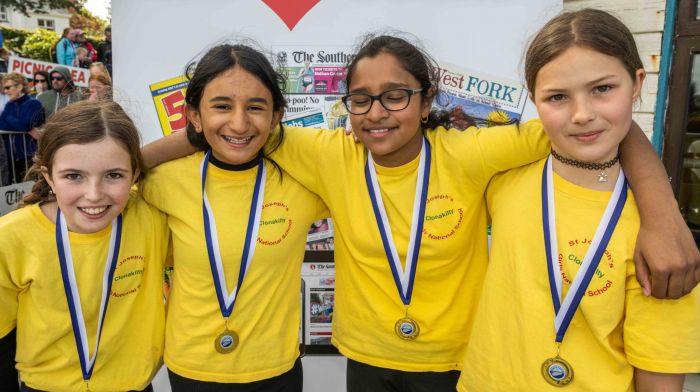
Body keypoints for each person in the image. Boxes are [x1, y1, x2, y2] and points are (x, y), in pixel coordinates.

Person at [144, 35, 700, 392]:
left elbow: (593, 128)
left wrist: (660, 213)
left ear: (427, 100)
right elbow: (225, 134)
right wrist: (123, 170)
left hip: (453, 363)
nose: (376, 113)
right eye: (360, 99)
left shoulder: (472, 152)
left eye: (396, 96)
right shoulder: (328, 152)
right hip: (364, 359)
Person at [457, 9, 700, 391]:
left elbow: (659, 376)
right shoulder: (500, 179)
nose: (582, 114)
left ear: (637, 82)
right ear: (534, 101)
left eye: (603, 89)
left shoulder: (662, 244)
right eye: (557, 97)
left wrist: (660, 208)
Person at [142, 44, 328, 390]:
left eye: (255, 107)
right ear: (195, 115)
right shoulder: (162, 181)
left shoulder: (304, 181)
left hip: (275, 370)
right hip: (192, 367)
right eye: (222, 106)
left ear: (276, 116)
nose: (239, 123)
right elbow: (112, 176)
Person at [0, 100, 168, 391]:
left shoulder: (151, 217)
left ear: (135, 175)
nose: (94, 195)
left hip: (133, 385)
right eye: (73, 176)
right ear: (48, 177)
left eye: (114, 175)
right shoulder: (12, 237)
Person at [0, 73, 44, 183]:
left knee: (30, 189)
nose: (5, 91)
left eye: (8, 87)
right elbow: (1, 124)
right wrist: (22, 125)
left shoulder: (34, 103)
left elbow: (26, 125)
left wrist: (8, 117)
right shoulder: (9, 105)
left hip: (29, 156)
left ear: (19, 87)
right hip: (11, 158)